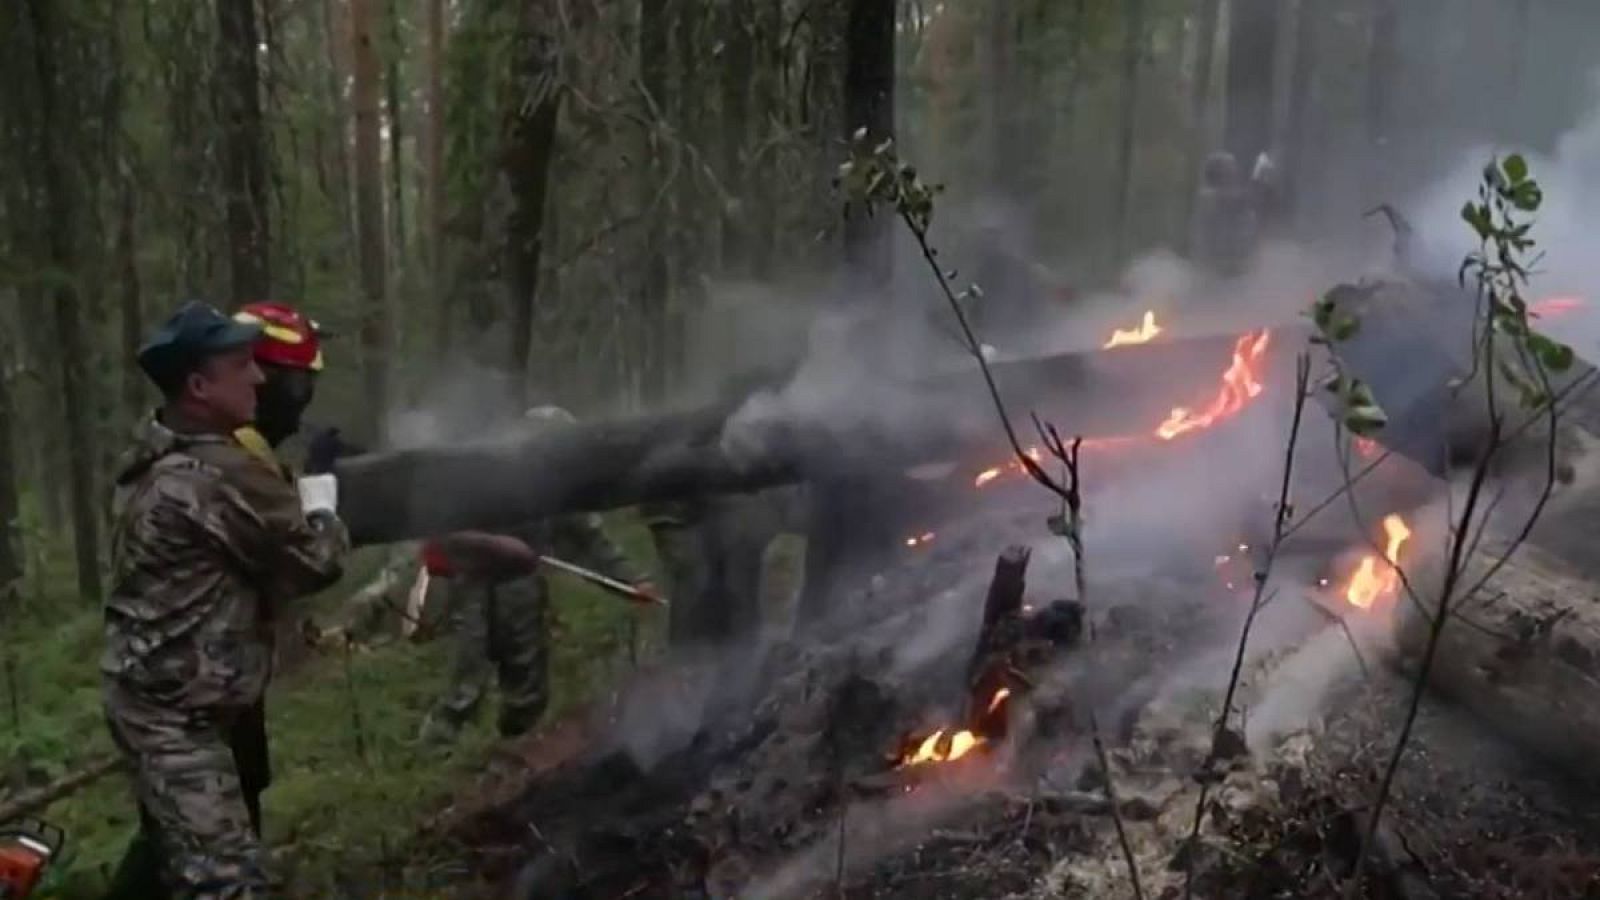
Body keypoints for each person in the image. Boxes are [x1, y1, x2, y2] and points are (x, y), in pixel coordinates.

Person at [101, 301, 350, 898]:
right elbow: (318, 562)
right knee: (226, 882)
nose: (259, 378)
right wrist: (322, 502)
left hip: (164, 698)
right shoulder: (219, 475)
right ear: (199, 387)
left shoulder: (158, 448)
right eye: (242, 366)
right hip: (177, 716)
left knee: (171, 853)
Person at [416, 405, 658, 744]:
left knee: (525, 674)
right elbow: (444, 523)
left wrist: (631, 581)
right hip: (471, 579)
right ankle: (438, 744)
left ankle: (515, 743)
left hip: (521, 582)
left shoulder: (558, 487)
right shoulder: (483, 469)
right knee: (468, 671)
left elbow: (590, 540)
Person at [1189, 150, 1261, 277]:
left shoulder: (1237, 196)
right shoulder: (1208, 195)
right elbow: (1223, 200)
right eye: (1228, 169)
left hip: (1234, 264)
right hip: (1213, 265)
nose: (1232, 172)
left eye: (1232, 169)